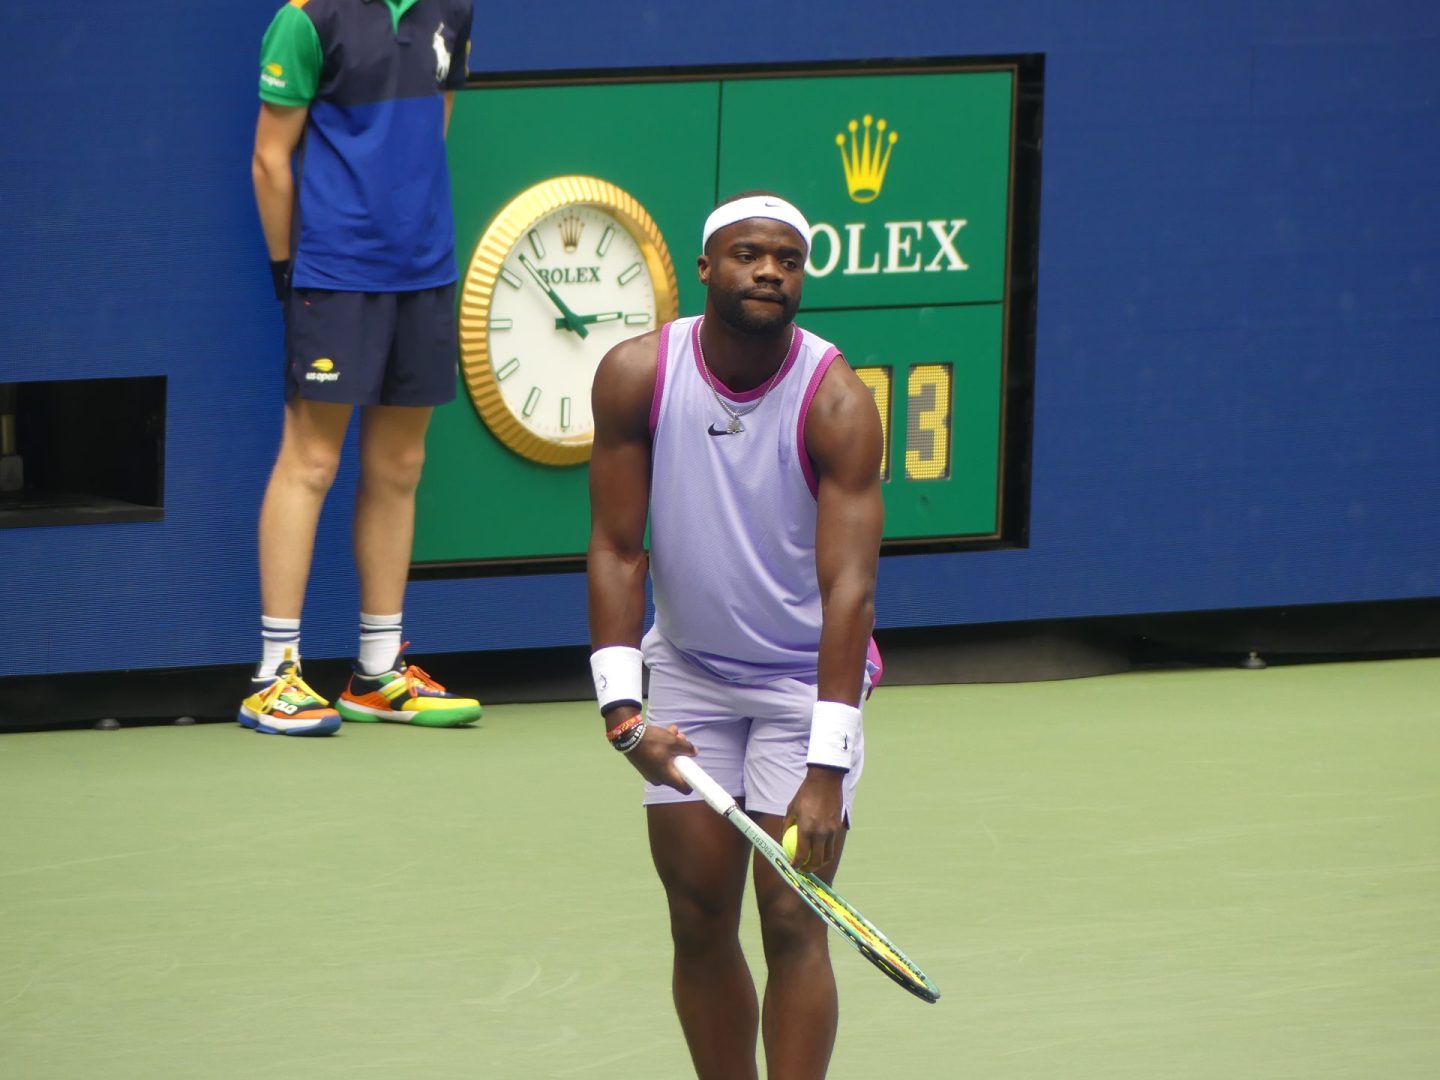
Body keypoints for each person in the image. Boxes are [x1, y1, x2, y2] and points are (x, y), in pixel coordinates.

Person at [586, 192, 885, 1079]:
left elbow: (849, 592)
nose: (769, 272)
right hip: (689, 669)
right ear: (708, 266)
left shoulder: (837, 403)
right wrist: (624, 713)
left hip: (805, 683)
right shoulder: (637, 374)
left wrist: (827, 769)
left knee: (791, 917)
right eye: (750, 255)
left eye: (788, 260)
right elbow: (615, 548)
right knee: (698, 912)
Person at [240, 0, 482, 736]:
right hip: (336, 273)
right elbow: (269, 159)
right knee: (311, 460)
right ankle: (274, 674)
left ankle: (377, 672)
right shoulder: (306, 20)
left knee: (400, 464)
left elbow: (436, 122)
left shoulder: (453, 10)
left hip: (426, 270)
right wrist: (290, 267)